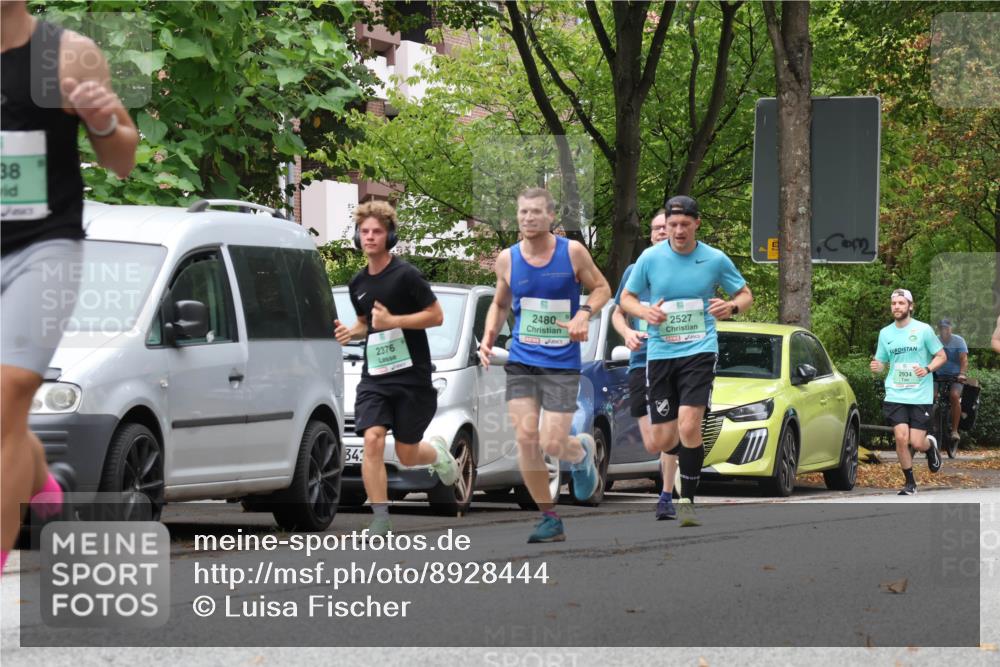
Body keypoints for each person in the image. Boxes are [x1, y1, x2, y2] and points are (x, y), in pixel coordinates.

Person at [1, 1, 138, 572]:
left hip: (43, 246)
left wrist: (102, 120)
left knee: (7, 393)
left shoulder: (66, 54)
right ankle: (37, 477)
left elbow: (123, 159)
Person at [479, 188, 611, 543]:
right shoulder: (507, 259)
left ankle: (581, 451)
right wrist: (490, 335)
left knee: (553, 443)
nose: (528, 218)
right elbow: (501, 303)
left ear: (551, 217)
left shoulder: (572, 253)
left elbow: (602, 288)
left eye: (536, 212)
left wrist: (584, 313)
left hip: (561, 364)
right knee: (525, 438)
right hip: (522, 360)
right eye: (523, 212)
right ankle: (549, 517)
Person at [619, 195, 752, 527]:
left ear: (696, 224)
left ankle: (688, 501)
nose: (677, 231)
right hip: (661, 354)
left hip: (700, 350)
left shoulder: (715, 259)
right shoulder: (650, 258)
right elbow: (625, 299)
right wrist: (644, 312)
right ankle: (684, 458)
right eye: (672, 225)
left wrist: (732, 307)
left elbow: (745, 294)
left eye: (684, 225)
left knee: (690, 425)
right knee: (664, 440)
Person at [334, 201, 459, 538]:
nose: (370, 237)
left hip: (411, 377)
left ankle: (437, 453)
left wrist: (395, 321)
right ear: (358, 238)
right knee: (372, 440)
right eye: (365, 232)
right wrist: (352, 332)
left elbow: (436, 316)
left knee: (406, 452)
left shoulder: (407, 275)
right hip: (375, 376)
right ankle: (380, 518)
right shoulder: (357, 282)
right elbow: (365, 324)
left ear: (389, 236)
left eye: (376, 231)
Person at [611, 209, 680, 520]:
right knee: (653, 441)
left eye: (665, 228)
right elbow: (616, 312)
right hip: (640, 360)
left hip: (676, 359)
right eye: (655, 229)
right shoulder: (634, 271)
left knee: (669, 430)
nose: (659, 233)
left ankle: (666, 495)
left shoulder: (687, 271)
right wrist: (627, 333)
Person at [869, 289, 947, 495]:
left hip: (920, 394)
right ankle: (910, 483)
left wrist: (928, 368)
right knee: (901, 439)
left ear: (910, 306)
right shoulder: (885, 333)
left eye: (901, 303)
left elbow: (941, 356)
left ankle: (930, 446)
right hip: (895, 393)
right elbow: (882, 362)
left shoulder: (923, 330)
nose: (897, 307)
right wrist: (878, 368)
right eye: (894, 303)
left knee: (916, 442)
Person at [934, 318, 968, 443]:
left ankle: (954, 430)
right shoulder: (935, 340)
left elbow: (963, 360)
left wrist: (962, 373)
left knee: (954, 396)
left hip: (955, 375)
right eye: (942, 328)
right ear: (939, 329)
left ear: (951, 328)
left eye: (946, 328)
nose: (944, 331)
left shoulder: (959, 341)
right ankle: (930, 422)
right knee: (931, 396)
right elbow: (930, 356)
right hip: (938, 374)